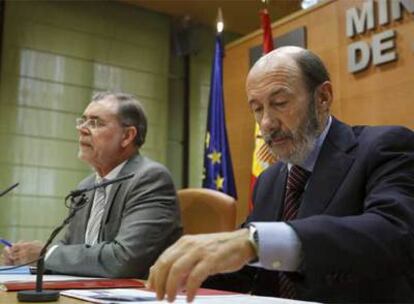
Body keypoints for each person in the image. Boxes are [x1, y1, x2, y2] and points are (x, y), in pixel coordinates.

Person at [147, 46, 414, 303]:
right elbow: (250, 270)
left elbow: (393, 233)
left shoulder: (385, 146)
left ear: (323, 98)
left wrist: (254, 243)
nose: (266, 124)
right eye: (257, 108)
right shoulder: (269, 180)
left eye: (280, 103)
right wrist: (187, 270)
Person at [2, 92, 182, 278]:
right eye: (83, 121)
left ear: (127, 136)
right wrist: (24, 261)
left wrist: (45, 254)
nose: (82, 129)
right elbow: (71, 250)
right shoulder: (86, 186)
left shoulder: (150, 179)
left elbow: (123, 260)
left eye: (95, 123)